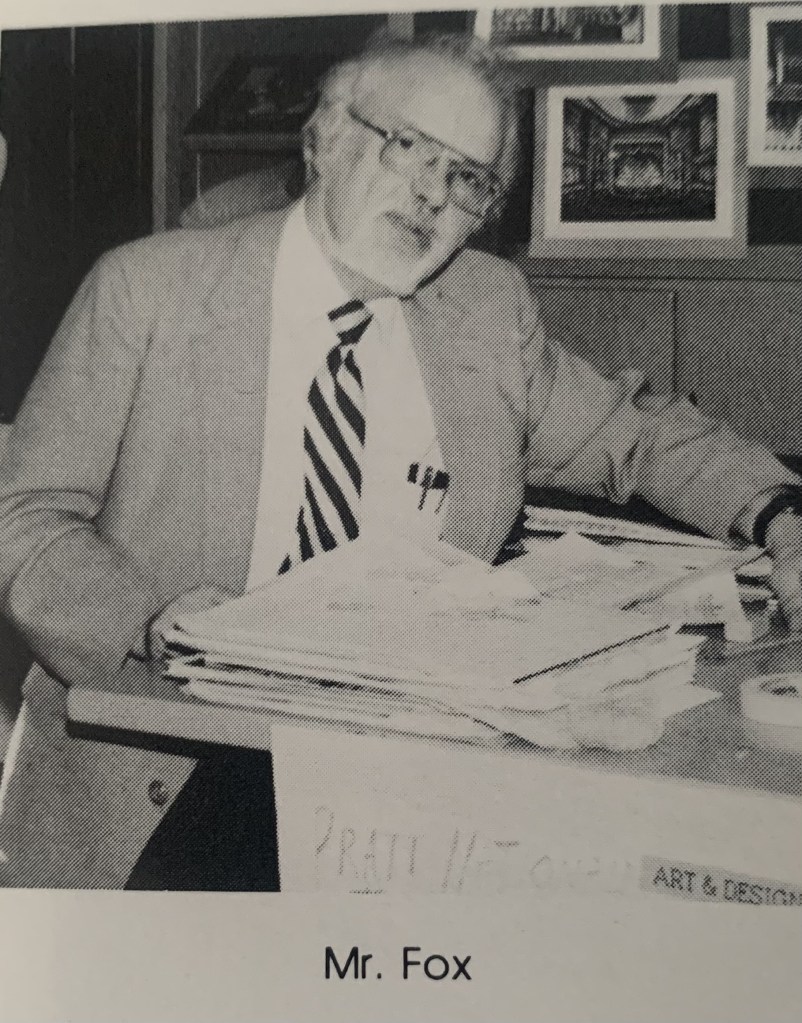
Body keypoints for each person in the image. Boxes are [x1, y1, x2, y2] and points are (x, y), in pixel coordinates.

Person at [0, 32, 801, 890]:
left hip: (417, 769)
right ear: (325, 137)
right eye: (410, 147)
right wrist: (150, 620)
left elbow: (635, 433)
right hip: (184, 756)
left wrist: (782, 517)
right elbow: (24, 517)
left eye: (467, 177)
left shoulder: (485, 311)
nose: (432, 195)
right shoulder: (150, 291)